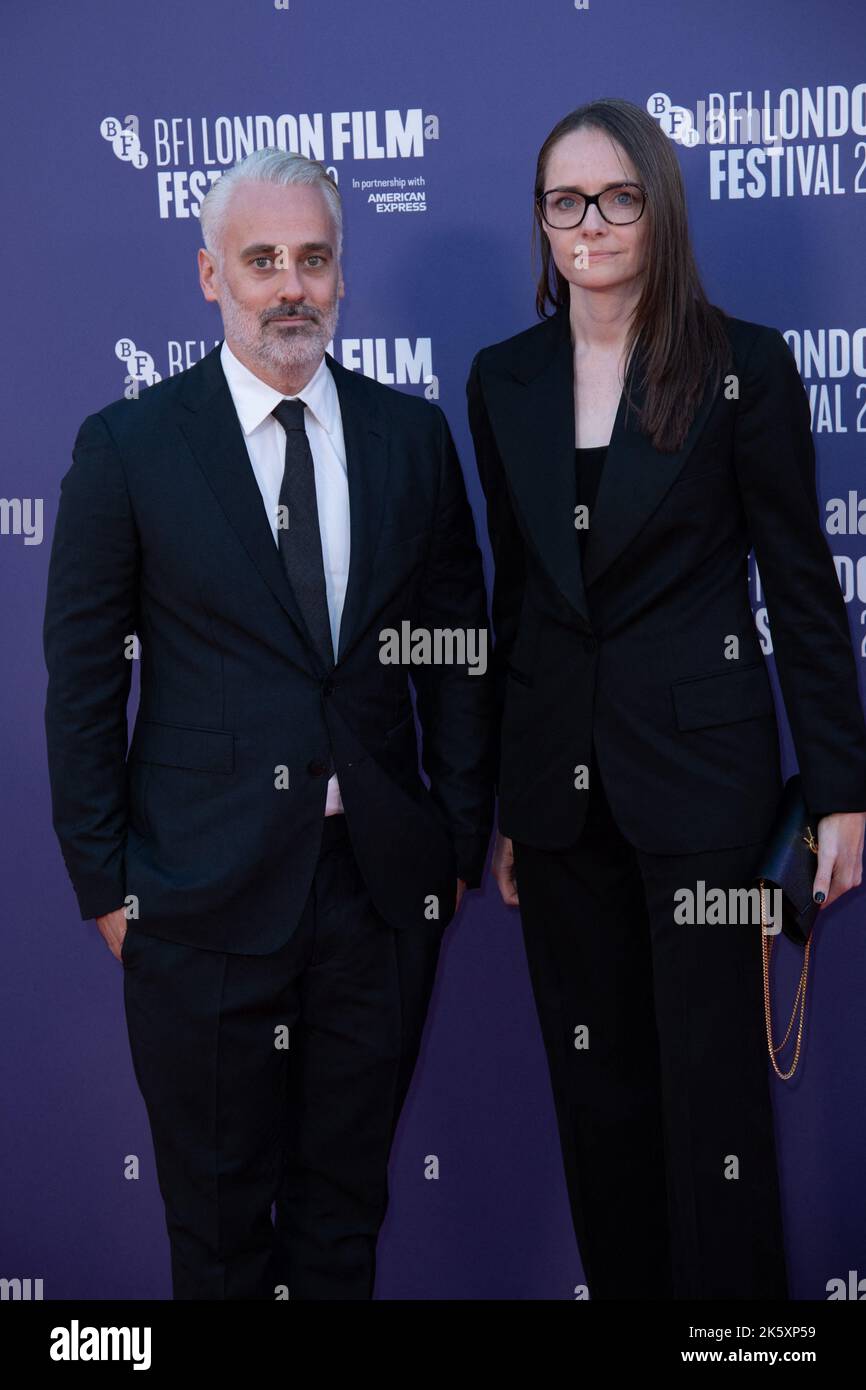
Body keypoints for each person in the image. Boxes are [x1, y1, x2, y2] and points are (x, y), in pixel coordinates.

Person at [43, 147, 493, 1300]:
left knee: (343, 1226)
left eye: (313, 259)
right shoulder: (130, 447)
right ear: (209, 275)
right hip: (196, 904)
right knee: (219, 1240)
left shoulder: (409, 439)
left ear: (342, 276)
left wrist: (448, 846)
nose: (288, 285)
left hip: (375, 896)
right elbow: (84, 681)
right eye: (261, 262)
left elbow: (454, 651)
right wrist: (108, 885)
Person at [466, 97, 866, 1300]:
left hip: (699, 788)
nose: (586, 224)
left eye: (614, 197)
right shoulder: (502, 380)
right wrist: (505, 798)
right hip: (557, 799)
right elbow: (518, 603)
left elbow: (802, 589)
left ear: (657, 206)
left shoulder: (741, 367)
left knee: (714, 1106)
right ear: (538, 222)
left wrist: (841, 791)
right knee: (598, 1103)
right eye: (561, 201)